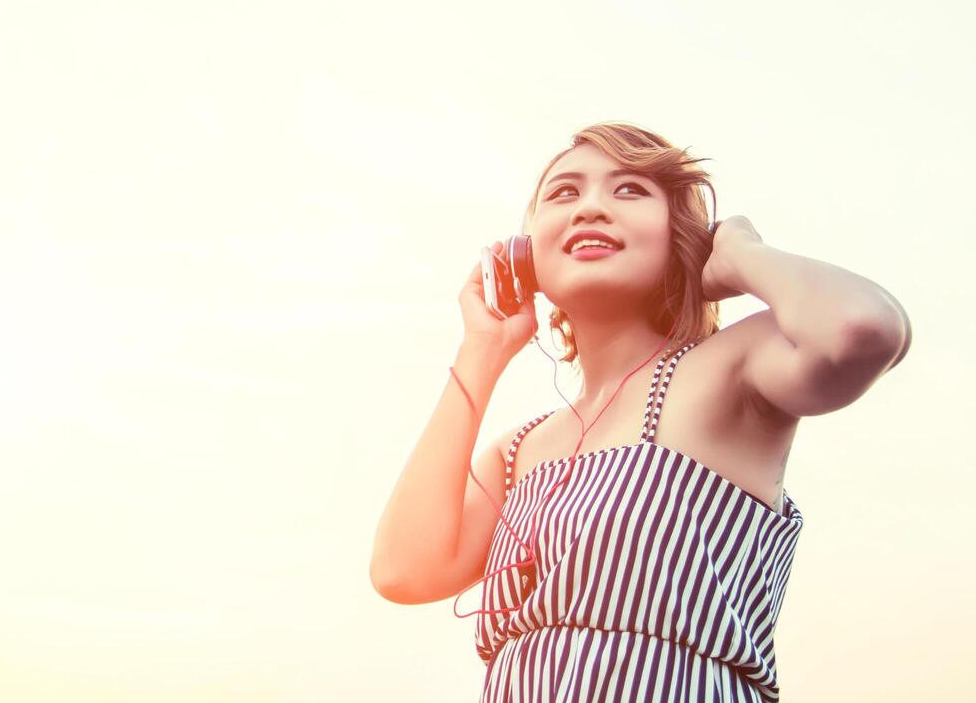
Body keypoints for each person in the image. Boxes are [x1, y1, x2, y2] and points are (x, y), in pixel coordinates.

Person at [370, 122, 911, 702]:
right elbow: (403, 570)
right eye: (564, 193)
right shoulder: (518, 450)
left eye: (629, 190)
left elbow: (861, 328)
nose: (591, 209)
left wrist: (741, 253)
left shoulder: (729, 373)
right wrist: (483, 348)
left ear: (684, 237)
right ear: (524, 255)